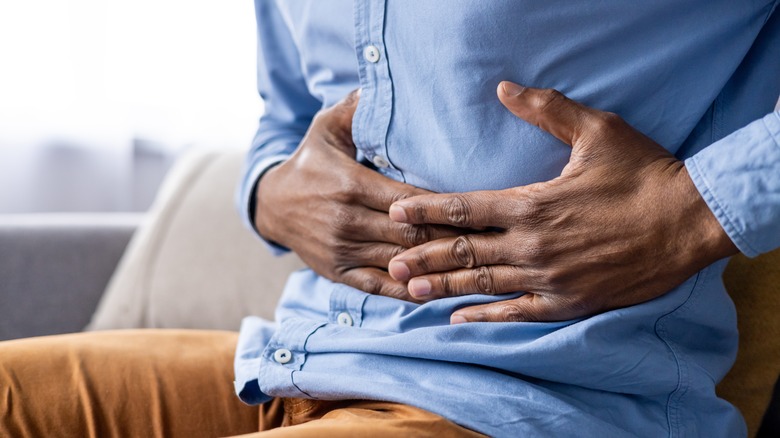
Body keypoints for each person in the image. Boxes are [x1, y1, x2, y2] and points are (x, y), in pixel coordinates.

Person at [2, 1, 779, 437]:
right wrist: (272, 191)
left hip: (536, 400)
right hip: (294, 357)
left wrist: (694, 207)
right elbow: (287, 111)